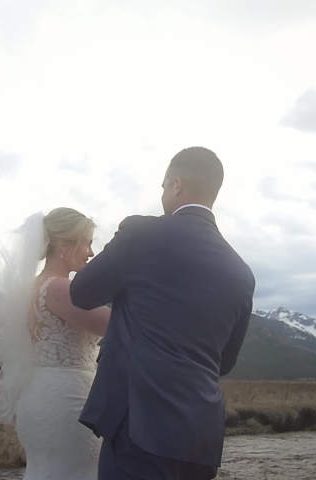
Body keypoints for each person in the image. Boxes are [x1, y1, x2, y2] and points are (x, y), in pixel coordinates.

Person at [70, 146, 256, 480]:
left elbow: (81, 292)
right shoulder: (242, 273)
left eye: (162, 186)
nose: (162, 194)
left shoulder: (142, 235)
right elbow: (224, 362)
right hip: (201, 437)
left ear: (176, 185)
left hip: (139, 426)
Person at [0, 207, 110, 480]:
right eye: (87, 242)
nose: (91, 252)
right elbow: (114, 324)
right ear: (64, 245)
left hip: (40, 393)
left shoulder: (33, 286)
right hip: (68, 400)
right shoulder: (59, 289)